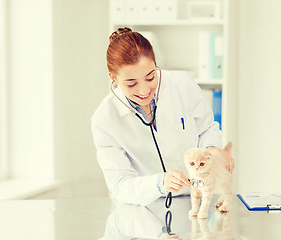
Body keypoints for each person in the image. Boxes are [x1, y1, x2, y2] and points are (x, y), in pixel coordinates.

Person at [91, 27, 234, 206]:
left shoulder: (182, 84)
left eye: (150, 78)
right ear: (113, 78)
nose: (144, 91)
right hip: (145, 210)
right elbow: (120, 184)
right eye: (131, 83)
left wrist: (211, 149)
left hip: (197, 199)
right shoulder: (105, 119)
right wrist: (159, 183)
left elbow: (206, 128)